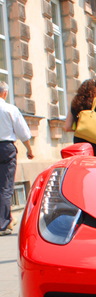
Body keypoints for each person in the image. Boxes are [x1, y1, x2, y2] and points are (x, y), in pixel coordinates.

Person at [0, 81, 33, 236]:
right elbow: (23, 132)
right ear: (4, 93)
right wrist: (30, 150)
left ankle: (6, 217)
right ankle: (3, 224)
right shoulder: (9, 109)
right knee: (5, 186)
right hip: (6, 148)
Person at [64, 78, 96, 158]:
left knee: (83, 166)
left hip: (80, 141)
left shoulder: (74, 103)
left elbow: (67, 127)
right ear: (93, 90)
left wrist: (82, 130)